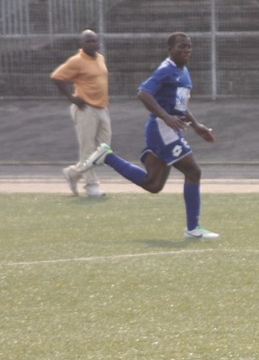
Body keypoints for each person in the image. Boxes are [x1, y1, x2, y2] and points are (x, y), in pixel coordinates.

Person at [79, 31, 220, 240]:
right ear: (170, 49)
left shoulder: (183, 71)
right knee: (193, 171)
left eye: (189, 46)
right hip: (162, 129)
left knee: (153, 184)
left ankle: (107, 157)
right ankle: (193, 228)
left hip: (166, 129)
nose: (186, 50)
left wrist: (197, 125)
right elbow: (143, 93)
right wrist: (166, 117)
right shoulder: (166, 70)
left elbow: (179, 105)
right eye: (181, 46)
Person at [51, 29, 112, 198]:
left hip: (102, 108)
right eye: (88, 42)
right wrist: (71, 97)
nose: (92, 44)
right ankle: (91, 186)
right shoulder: (77, 60)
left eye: (94, 41)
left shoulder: (100, 58)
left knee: (104, 150)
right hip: (85, 109)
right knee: (88, 148)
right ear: (81, 44)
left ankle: (73, 173)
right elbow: (56, 77)